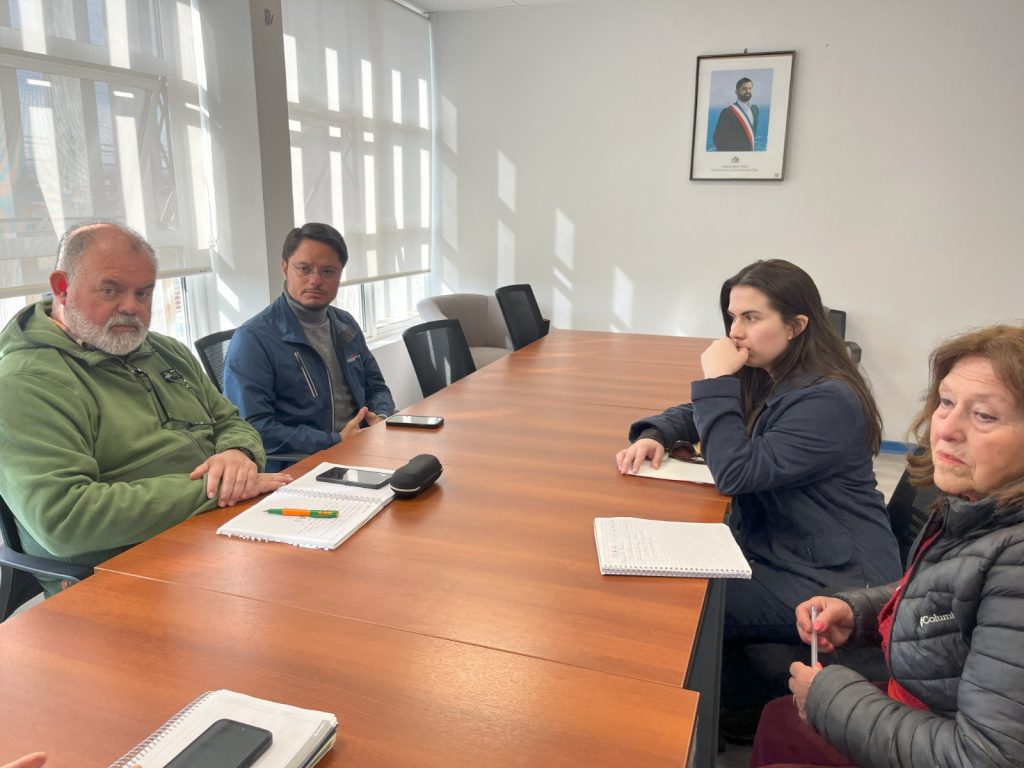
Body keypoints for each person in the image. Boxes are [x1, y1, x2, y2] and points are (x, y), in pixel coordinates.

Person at [615, 259, 902, 731]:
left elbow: (736, 471)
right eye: (733, 317)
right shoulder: (773, 371)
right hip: (785, 548)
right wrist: (657, 433)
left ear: (796, 325)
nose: (735, 332)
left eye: (751, 317)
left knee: (679, 603)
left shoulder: (828, 399)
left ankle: (675, 725)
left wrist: (716, 383)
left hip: (831, 575)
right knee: (669, 587)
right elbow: (702, 412)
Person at [751, 324, 1024, 768]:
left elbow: (985, 757)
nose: (946, 429)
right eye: (946, 402)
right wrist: (859, 613)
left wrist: (829, 697)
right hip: (929, 704)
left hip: (950, 735)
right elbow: (951, 596)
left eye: (984, 416)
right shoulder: (978, 503)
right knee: (779, 720)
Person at [0, 221, 288, 597]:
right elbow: (65, 519)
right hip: (122, 572)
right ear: (62, 288)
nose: (131, 307)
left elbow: (229, 421)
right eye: (111, 289)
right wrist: (215, 489)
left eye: (144, 292)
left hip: (217, 531)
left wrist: (238, 453)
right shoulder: (24, 382)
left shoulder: (164, 350)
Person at [223, 222, 395, 464]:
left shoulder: (345, 324)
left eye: (328, 271)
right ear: (285, 268)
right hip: (301, 464)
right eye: (304, 269)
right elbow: (253, 428)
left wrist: (381, 416)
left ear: (339, 275)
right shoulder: (253, 339)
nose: (315, 280)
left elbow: (376, 386)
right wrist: (334, 440)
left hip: (360, 449)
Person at [713, 76, 759, 152]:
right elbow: (717, 140)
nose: (747, 91)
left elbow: (752, 135)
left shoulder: (755, 110)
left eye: (750, 88)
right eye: (744, 89)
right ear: (736, 92)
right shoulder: (728, 112)